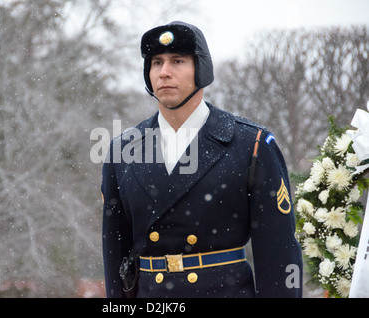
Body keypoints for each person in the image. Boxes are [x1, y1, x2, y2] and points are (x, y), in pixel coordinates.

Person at [101, 21, 302, 298]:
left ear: (202, 69)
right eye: (156, 63)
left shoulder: (251, 144)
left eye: (178, 61)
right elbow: (114, 250)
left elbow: (278, 254)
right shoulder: (122, 150)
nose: (164, 72)